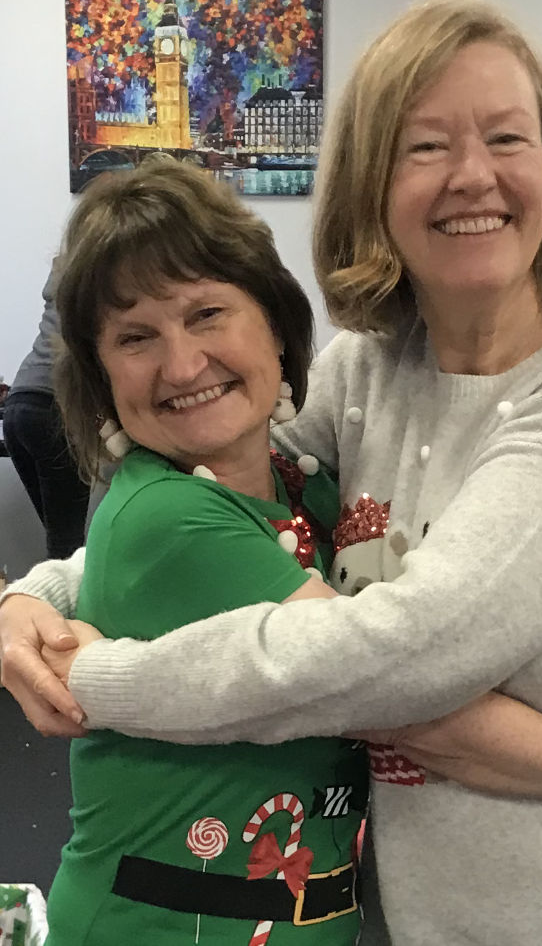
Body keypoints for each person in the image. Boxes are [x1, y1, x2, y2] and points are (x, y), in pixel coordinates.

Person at [2, 0, 542, 945]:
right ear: (370, 185)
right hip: (419, 910)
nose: (472, 176)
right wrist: (37, 596)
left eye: (508, 139)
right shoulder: (370, 371)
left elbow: (403, 662)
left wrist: (103, 680)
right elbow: (223, 504)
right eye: (425, 146)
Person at [22, 157, 369, 944]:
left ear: (275, 325)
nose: (182, 366)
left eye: (208, 314)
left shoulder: (300, 487)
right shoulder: (167, 518)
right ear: (101, 375)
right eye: (135, 337)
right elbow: (391, 688)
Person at [3, 263, 90, 558]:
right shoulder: (98, 275)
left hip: (18, 404)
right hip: (51, 409)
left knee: (61, 536)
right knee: (68, 543)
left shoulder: (63, 271)